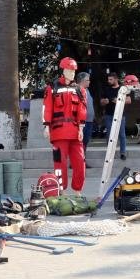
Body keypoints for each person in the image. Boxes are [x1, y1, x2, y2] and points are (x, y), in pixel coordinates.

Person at [43, 57, 87, 194]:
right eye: (69, 70)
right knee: (59, 164)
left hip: (75, 132)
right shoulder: (51, 88)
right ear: (63, 70)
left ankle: (78, 191)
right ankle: (61, 191)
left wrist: (81, 128)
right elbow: (47, 108)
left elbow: (82, 110)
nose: (72, 73)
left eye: (74, 70)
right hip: (57, 132)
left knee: (80, 162)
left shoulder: (79, 90)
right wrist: (46, 126)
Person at [101, 72, 131, 160]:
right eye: (108, 79)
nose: (109, 81)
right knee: (110, 134)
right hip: (109, 115)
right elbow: (101, 101)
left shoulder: (123, 88)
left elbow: (129, 100)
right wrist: (104, 101)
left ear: (116, 79)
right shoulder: (106, 89)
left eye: (111, 79)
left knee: (121, 134)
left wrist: (119, 100)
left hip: (120, 115)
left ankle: (123, 153)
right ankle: (110, 153)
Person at [77, 72, 94, 168]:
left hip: (89, 121)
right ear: (82, 81)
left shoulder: (87, 90)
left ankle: (82, 160)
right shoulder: (78, 90)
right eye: (88, 80)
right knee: (81, 142)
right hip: (82, 122)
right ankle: (80, 161)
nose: (89, 82)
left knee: (85, 142)